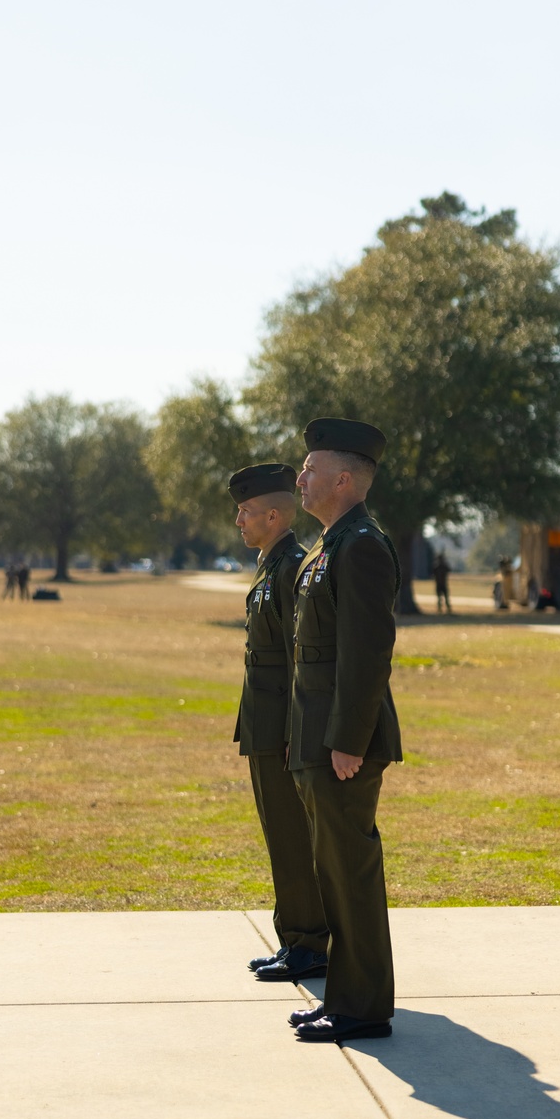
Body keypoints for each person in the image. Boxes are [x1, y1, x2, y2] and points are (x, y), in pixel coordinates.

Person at [287, 419, 402, 1044]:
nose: (299, 478)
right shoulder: (330, 543)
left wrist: (349, 742)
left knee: (350, 872)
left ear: (344, 479)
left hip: (340, 746)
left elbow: (366, 657)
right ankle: (348, 997)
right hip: (317, 739)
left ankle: (362, 1006)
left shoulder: (361, 545)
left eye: (310, 469)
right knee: (333, 872)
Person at [231, 464, 330, 982]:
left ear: (274, 515)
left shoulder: (291, 566)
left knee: (293, 837)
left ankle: (310, 944)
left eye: (246, 512)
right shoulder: (271, 563)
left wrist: (296, 732)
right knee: (279, 836)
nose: (238, 521)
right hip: (263, 727)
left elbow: (298, 660)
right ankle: (293, 937)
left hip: (284, 732)